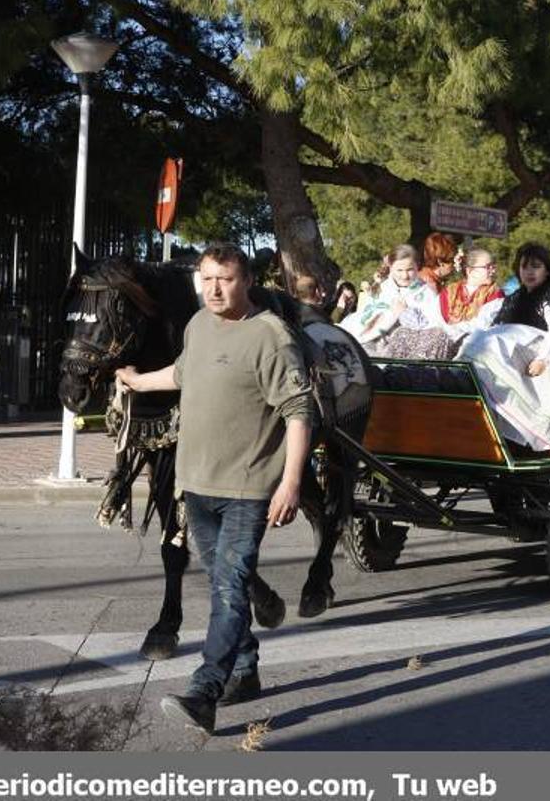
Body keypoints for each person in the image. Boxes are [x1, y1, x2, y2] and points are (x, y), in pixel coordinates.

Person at [114, 243, 315, 734]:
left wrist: (289, 483)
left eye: (224, 279)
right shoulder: (198, 325)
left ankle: (205, 691)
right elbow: (184, 374)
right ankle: (244, 671)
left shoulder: (271, 337)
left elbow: (299, 412)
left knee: (228, 589)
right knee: (229, 582)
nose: (214, 289)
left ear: (246, 281)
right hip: (196, 484)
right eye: (206, 279)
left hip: (247, 488)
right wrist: (139, 382)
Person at [456, 243, 550, 451]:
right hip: (514, 349)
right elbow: (498, 326)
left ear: (546, 270)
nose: (529, 272)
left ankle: (522, 436)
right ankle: (467, 385)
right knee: (478, 340)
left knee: (493, 345)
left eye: (536, 266)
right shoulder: (515, 298)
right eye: (525, 267)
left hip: (538, 352)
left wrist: (544, 359)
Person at [339, 244, 440, 353]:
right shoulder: (383, 288)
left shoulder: (426, 293)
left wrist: (404, 313)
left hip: (402, 352)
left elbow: (430, 329)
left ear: (417, 266)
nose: (405, 276)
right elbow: (366, 315)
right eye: (399, 270)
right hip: (366, 343)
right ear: (391, 267)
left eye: (410, 270)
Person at [440, 247, 504, 325]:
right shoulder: (448, 292)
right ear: (469, 271)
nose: (493, 271)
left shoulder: (495, 293)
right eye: (487, 267)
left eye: (493, 267)